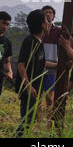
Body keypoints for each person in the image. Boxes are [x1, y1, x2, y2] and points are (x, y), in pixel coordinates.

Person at [15, 9, 49, 137]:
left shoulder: (40, 42)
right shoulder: (29, 41)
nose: (48, 23)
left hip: (35, 87)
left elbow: (41, 64)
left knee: (29, 118)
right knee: (26, 119)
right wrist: (28, 85)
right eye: (46, 20)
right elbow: (21, 64)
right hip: (29, 88)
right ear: (42, 24)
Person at [41, 5, 62, 113]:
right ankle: (37, 122)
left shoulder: (58, 31)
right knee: (38, 98)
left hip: (52, 68)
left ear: (53, 16)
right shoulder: (39, 32)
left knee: (50, 99)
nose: (48, 14)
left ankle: (49, 123)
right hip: (39, 68)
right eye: (46, 12)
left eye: (50, 12)